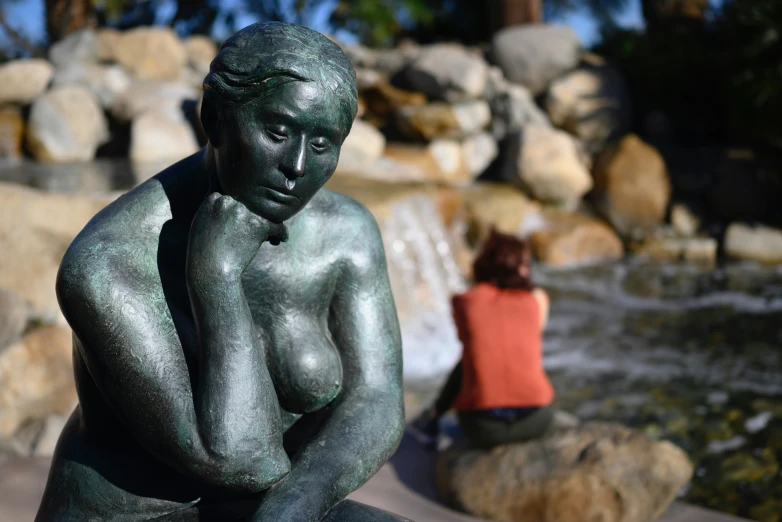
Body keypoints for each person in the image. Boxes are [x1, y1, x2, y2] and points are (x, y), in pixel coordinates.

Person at [36, 22, 409, 522]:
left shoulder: (345, 232)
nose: (297, 166)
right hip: (133, 513)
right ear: (215, 118)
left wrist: (294, 504)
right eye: (278, 132)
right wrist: (216, 275)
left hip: (265, 505)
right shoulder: (109, 263)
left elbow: (376, 396)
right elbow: (242, 461)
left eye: (323, 144)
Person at [410, 229, 553, 450]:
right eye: (524, 263)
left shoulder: (465, 302)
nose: (528, 269)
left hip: (483, 426)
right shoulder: (538, 299)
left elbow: (469, 345)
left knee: (469, 359)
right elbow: (530, 340)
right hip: (535, 421)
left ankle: (432, 417)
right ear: (514, 265)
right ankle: (433, 416)